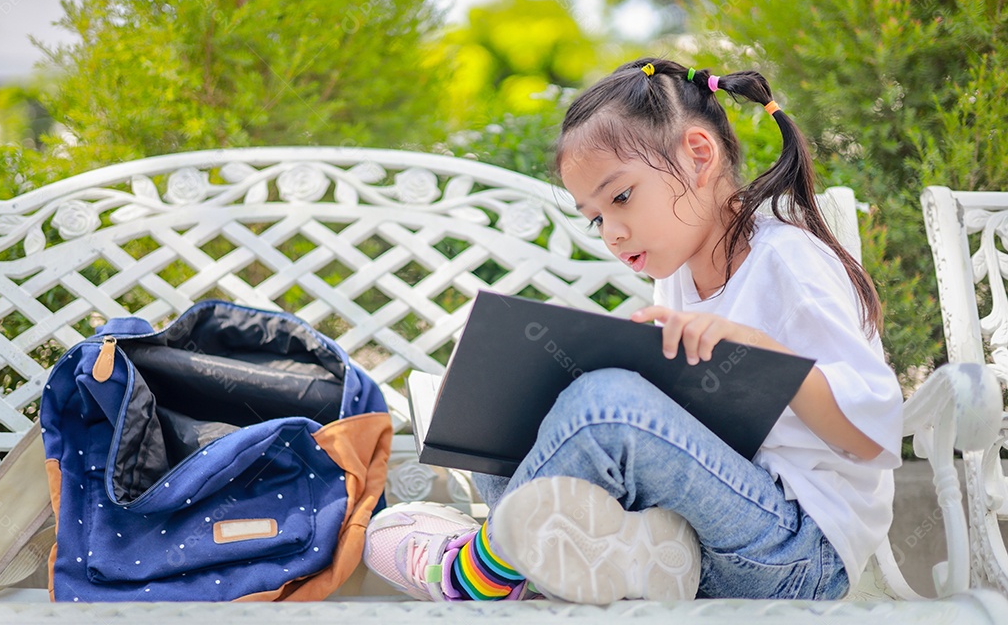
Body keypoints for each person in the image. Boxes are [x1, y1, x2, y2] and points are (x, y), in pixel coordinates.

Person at [362, 57, 903, 604]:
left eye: (620, 198)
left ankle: (475, 575)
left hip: (795, 554)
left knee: (607, 405)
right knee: (513, 417)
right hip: (692, 549)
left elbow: (873, 437)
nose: (612, 234)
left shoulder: (787, 259)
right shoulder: (681, 276)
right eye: (596, 218)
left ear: (698, 156)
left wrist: (760, 354)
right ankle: (567, 561)